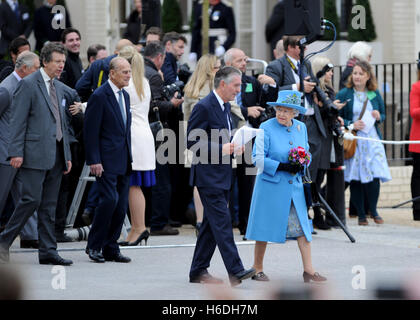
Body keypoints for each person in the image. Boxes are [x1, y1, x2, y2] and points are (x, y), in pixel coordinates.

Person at [0, 42, 74, 266]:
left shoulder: (58, 86)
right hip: (33, 154)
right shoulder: (29, 84)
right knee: (30, 200)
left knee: (49, 206)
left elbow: (62, 121)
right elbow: (17, 120)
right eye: (57, 62)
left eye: (63, 61)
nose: (61, 66)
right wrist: (15, 152)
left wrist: (67, 153)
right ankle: (3, 242)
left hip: (57, 154)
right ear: (45, 62)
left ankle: (48, 251)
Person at [245, 90, 327, 283]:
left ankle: (309, 270)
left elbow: (306, 152)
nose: (281, 114)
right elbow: (256, 158)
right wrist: (281, 166)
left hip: (294, 188)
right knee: (263, 229)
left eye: (286, 111)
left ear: (294, 113)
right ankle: (257, 268)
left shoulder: (300, 127)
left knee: (303, 228)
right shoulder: (266, 127)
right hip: (270, 187)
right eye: (279, 109)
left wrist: (303, 162)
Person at [187, 66, 256, 286]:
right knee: (223, 223)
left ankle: (198, 270)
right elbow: (192, 140)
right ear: (223, 84)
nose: (239, 89)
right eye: (236, 85)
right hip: (208, 176)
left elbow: (220, 137)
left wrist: (234, 144)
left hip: (222, 174)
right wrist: (221, 148)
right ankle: (235, 270)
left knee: (210, 226)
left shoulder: (225, 106)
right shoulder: (204, 106)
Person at [260, 35, 327, 229]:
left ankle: (308, 213)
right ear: (290, 47)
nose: (304, 48)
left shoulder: (304, 64)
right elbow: (271, 91)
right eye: (300, 45)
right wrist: (297, 87)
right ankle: (295, 215)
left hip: (309, 120)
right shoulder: (276, 65)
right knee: (291, 167)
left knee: (310, 167)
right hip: (288, 122)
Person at [84, 57, 132, 263]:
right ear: (112, 73)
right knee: (109, 200)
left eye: (129, 71)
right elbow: (90, 131)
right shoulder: (100, 96)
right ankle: (94, 245)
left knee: (121, 206)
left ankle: (111, 247)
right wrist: (94, 159)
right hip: (104, 160)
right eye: (124, 72)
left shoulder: (126, 96)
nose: (128, 75)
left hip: (123, 158)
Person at [336, 60, 391, 226]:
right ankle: (360, 214)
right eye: (355, 73)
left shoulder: (373, 93)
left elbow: (383, 114)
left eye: (361, 73)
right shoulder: (345, 93)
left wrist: (377, 116)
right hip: (354, 139)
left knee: (374, 174)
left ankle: (373, 211)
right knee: (356, 176)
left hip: (372, 139)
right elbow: (336, 116)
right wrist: (351, 124)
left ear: (368, 76)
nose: (357, 76)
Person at [223, 48, 266, 236]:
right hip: (227, 137)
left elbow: (260, 103)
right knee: (228, 180)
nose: (244, 64)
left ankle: (246, 223)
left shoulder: (250, 82)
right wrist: (246, 110)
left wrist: (269, 86)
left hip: (248, 137)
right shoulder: (221, 82)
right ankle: (228, 220)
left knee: (247, 181)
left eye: (245, 60)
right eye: (240, 60)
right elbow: (226, 104)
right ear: (229, 64)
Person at [0, 52, 40, 249]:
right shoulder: (6, 89)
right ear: (24, 69)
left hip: (20, 152)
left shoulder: (25, 85)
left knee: (26, 195)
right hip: (5, 153)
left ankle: (30, 235)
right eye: (35, 68)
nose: (38, 72)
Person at [143, 41, 183, 236]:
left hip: (143, 131)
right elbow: (155, 106)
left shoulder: (138, 70)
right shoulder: (153, 76)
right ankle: (159, 223)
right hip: (156, 133)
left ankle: (148, 219)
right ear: (159, 57)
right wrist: (173, 103)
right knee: (162, 180)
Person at [117, 46, 154, 246]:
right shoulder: (143, 82)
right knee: (134, 185)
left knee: (133, 185)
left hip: (133, 135)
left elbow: (113, 104)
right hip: (143, 134)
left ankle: (139, 228)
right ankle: (137, 228)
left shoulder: (128, 84)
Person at [183, 54, 221, 232]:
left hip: (194, 139)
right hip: (213, 141)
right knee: (217, 181)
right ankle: (214, 220)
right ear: (209, 68)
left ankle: (200, 221)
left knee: (199, 183)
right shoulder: (214, 89)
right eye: (217, 67)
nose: (219, 70)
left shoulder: (191, 88)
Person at [310, 56, 347, 227]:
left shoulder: (329, 91)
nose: (331, 74)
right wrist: (330, 108)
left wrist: (336, 114)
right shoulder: (313, 91)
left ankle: (318, 214)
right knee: (314, 177)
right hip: (317, 136)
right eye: (328, 70)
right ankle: (316, 215)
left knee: (321, 175)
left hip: (327, 138)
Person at [408, 60, 420, 221]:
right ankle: (417, 208)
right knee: (418, 175)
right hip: (418, 140)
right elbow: (414, 112)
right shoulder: (416, 87)